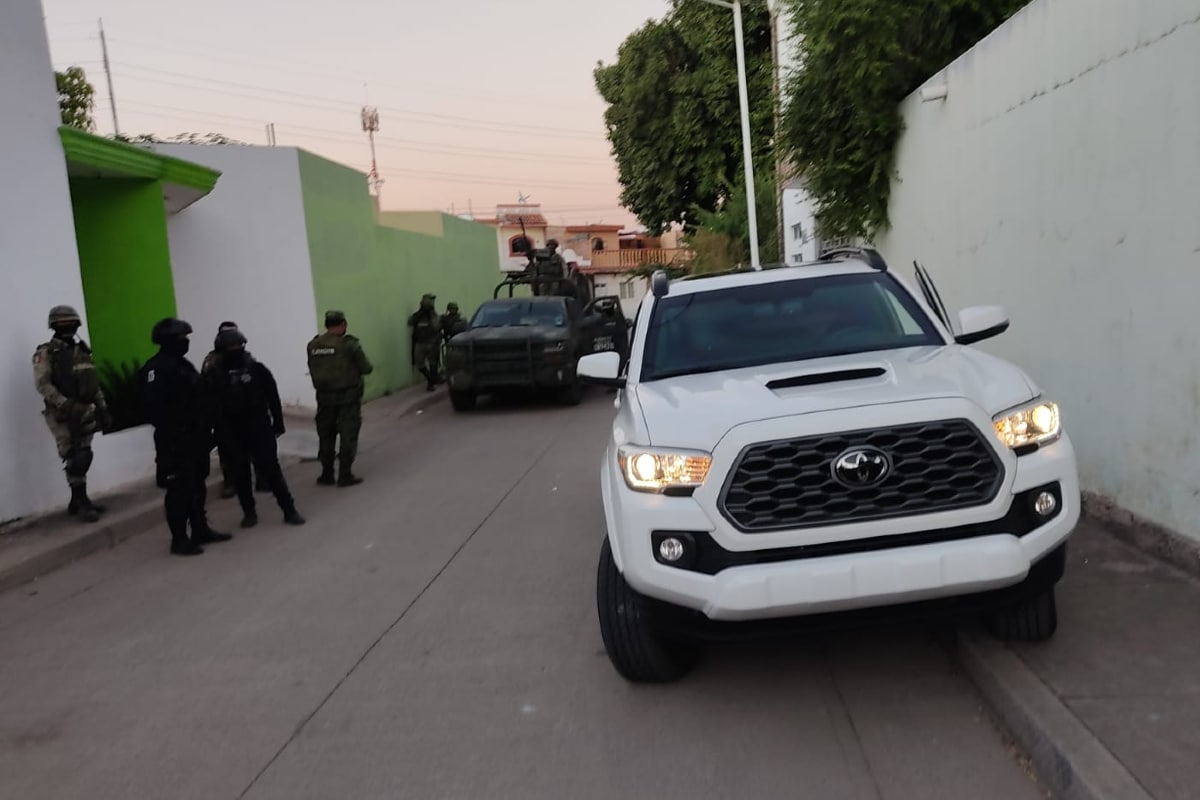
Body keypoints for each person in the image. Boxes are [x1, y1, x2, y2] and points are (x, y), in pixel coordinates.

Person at [142, 317, 232, 556]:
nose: (186, 342)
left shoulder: (183, 365)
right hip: (174, 440)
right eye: (181, 338)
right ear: (168, 341)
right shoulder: (156, 368)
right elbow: (154, 409)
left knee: (197, 485)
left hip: (196, 438)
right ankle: (179, 539)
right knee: (178, 490)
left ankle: (200, 529)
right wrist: (177, 432)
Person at [208, 328, 305, 528]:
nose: (235, 350)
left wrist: (278, 422)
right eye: (230, 348)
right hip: (231, 430)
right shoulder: (214, 374)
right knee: (240, 474)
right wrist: (214, 433)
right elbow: (208, 404)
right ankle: (249, 512)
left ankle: (289, 510)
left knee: (272, 469)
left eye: (238, 346)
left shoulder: (256, 369)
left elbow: (272, 396)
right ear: (221, 350)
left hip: (258, 425)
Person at [32, 305, 113, 523]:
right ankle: (80, 501)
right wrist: (66, 404)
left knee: (84, 451)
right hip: (61, 413)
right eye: (63, 323)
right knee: (74, 455)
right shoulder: (46, 352)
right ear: (54, 326)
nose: (68, 326)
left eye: (72, 322)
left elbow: (92, 384)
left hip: (85, 409)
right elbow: (43, 385)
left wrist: (102, 408)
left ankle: (78, 500)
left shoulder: (82, 351)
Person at [202, 321, 269, 499]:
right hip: (225, 416)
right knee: (228, 452)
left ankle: (262, 479)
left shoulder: (247, 357)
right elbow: (207, 390)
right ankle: (230, 482)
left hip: (249, 413)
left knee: (257, 449)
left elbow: (259, 382)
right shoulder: (212, 361)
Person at [306, 310, 373, 487]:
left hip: (323, 398)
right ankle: (345, 475)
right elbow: (366, 368)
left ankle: (326, 474)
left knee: (326, 435)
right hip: (347, 398)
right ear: (343, 324)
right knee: (347, 435)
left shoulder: (313, 345)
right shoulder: (349, 345)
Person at [408, 293, 441, 391]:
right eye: (428, 301)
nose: (430, 303)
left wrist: (430, 316)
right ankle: (430, 379)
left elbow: (436, 326)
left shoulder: (433, 315)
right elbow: (410, 322)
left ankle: (432, 382)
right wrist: (419, 314)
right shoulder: (419, 314)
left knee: (432, 363)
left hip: (431, 342)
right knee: (420, 364)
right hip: (420, 342)